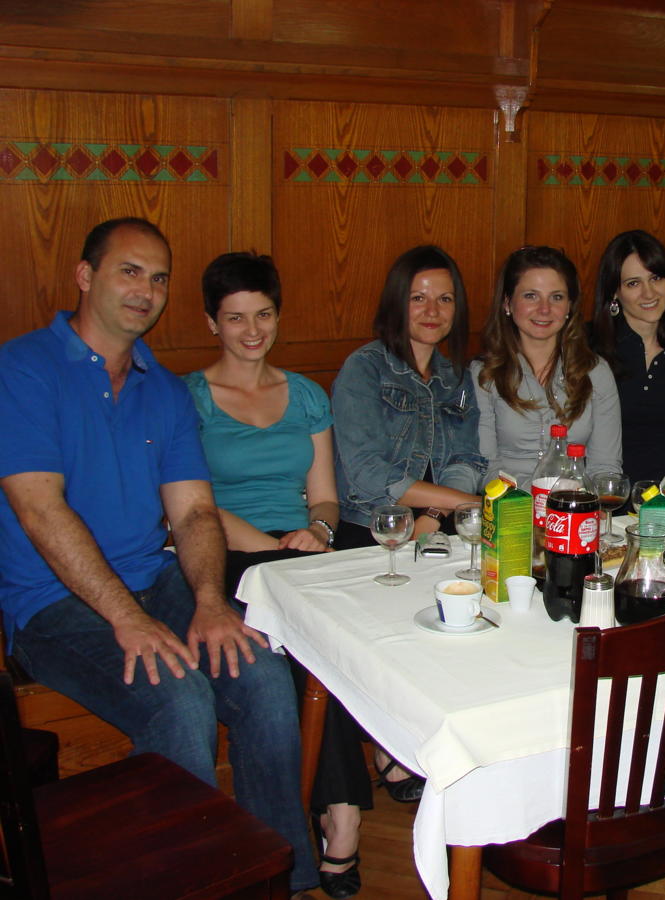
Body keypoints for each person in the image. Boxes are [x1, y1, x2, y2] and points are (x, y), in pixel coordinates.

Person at [0, 218, 319, 899]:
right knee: (178, 698)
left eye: (159, 278)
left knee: (263, 674)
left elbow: (196, 513)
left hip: (154, 577)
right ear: (85, 276)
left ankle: (278, 879)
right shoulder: (22, 368)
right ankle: (192, 882)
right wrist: (128, 619)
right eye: (129, 271)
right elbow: (40, 511)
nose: (146, 290)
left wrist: (209, 602)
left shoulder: (165, 389)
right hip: (50, 602)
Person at [185, 252, 367, 899]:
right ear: (212, 322)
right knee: (313, 639)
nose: (252, 330)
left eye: (263, 314)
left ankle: (348, 799)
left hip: (299, 546)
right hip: (226, 551)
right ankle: (342, 812)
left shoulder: (307, 395)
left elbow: (325, 497)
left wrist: (317, 530)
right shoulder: (190, 398)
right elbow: (192, 504)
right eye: (235, 318)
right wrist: (271, 549)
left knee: (347, 628)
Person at [332, 245, 486, 803]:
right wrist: (445, 509)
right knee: (396, 634)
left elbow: (468, 459)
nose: (431, 310)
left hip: (435, 525)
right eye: (418, 298)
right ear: (397, 303)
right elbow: (367, 473)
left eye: (444, 299)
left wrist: (436, 515)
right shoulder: (364, 368)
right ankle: (390, 744)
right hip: (371, 529)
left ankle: (441, 742)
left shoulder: (455, 377)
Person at [472, 245, 621, 486]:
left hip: (575, 502)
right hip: (509, 503)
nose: (544, 309)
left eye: (556, 297)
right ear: (508, 303)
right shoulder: (484, 374)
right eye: (531, 296)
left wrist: (579, 500)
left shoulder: (596, 372)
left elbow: (605, 467)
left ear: (570, 306)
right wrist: (535, 499)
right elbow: (485, 467)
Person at [590, 230, 665, 499]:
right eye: (633, 283)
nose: (649, 293)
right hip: (605, 498)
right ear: (615, 292)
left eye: (656, 278)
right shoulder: (589, 349)